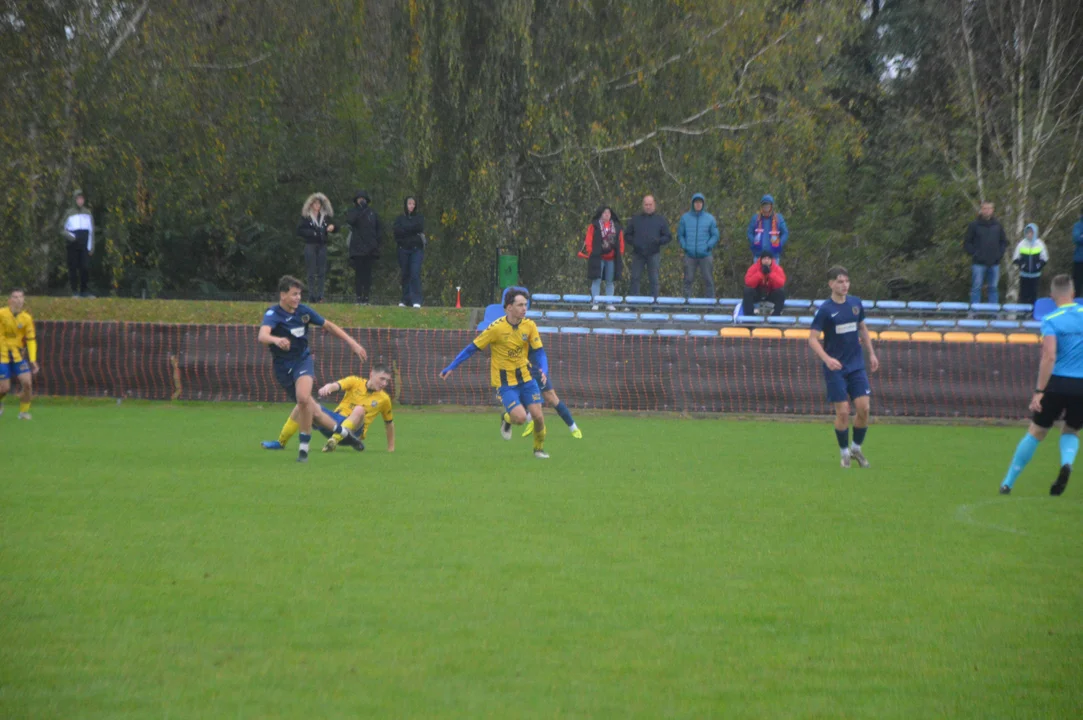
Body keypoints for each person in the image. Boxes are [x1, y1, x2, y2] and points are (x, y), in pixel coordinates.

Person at [257, 275, 367, 463]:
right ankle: (346, 436)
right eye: (294, 294)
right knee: (314, 413)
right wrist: (276, 340)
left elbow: (329, 326)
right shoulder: (273, 314)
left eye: (299, 294)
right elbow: (262, 335)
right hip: (283, 368)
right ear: (283, 295)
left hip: (302, 361)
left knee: (302, 398)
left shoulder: (304, 312)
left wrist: (352, 343)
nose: (298, 298)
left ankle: (303, 450)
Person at [439, 289, 550, 459]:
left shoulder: (529, 326)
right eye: (520, 305)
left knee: (538, 417)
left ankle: (538, 450)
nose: (524, 309)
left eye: (525, 305)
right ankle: (506, 417)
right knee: (520, 418)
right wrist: (451, 366)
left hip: (526, 378)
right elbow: (471, 348)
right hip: (504, 382)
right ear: (508, 308)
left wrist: (544, 369)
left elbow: (540, 352)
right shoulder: (496, 328)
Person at [999, 275, 1083, 496]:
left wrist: (1039, 391)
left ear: (1053, 296)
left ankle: (1008, 482)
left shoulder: (1051, 319)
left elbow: (1049, 356)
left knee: (1036, 431)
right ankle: (1066, 463)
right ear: (1073, 294)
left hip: (1057, 383)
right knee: (1072, 430)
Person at [808, 266, 880, 469]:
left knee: (864, 408)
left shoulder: (856, 304)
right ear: (831, 284)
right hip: (835, 368)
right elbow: (812, 339)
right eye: (840, 281)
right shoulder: (825, 310)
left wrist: (872, 353)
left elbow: (863, 329)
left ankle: (856, 448)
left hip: (856, 366)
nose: (844, 285)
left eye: (847, 281)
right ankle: (844, 453)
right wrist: (827, 359)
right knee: (842, 413)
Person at [318, 364, 396, 453]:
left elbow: (389, 423)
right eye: (382, 379)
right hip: (335, 424)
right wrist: (329, 387)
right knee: (308, 405)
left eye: (387, 381)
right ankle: (302, 450)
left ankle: (334, 440)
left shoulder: (384, 399)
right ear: (371, 375)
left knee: (359, 409)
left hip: (354, 433)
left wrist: (391, 448)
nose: (384, 384)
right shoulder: (355, 381)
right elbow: (338, 385)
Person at [520, 345, 583, 439]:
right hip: (519, 370)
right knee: (518, 398)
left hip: (535, 368)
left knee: (551, 397)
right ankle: (530, 421)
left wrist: (544, 371)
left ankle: (573, 427)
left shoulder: (530, 333)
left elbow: (541, 353)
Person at [0, 289, 38, 419]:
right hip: (2, 355)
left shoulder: (26, 318)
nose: (18, 299)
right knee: (4, 389)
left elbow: (31, 340)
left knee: (27, 383)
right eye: (15, 297)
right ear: (10, 300)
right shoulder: (1, 314)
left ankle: (23, 412)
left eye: (21, 297)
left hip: (18, 356)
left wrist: (32, 360)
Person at [577, 206, 624, 309]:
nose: (607, 214)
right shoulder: (594, 226)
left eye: (608, 213)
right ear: (600, 214)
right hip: (598, 258)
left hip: (611, 258)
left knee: (610, 281)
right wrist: (590, 252)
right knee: (596, 280)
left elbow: (620, 241)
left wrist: (620, 252)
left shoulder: (616, 227)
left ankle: (609, 303)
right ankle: (595, 302)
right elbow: (588, 240)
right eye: (604, 212)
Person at [625, 194, 671, 298]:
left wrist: (658, 241)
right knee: (635, 278)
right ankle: (633, 305)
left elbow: (668, 236)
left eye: (650, 204)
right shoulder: (635, 219)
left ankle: (654, 305)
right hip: (638, 254)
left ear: (654, 205)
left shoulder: (660, 219)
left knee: (654, 279)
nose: (648, 207)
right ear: (643, 205)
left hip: (653, 254)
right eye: (646, 204)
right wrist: (635, 242)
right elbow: (627, 235)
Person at [964, 201, 1009, 304]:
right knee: (976, 287)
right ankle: (974, 313)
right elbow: (967, 243)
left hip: (994, 263)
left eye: (989, 208)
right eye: (984, 208)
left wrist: (999, 254)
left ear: (992, 210)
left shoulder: (998, 225)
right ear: (981, 210)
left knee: (993, 288)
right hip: (978, 263)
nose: (987, 211)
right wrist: (975, 253)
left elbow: (1004, 242)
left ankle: (993, 313)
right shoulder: (974, 225)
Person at [678, 192, 719, 298]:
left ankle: (710, 307)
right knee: (688, 280)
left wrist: (708, 246)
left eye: (700, 202)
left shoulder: (710, 218)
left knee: (708, 281)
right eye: (696, 202)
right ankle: (686, 307)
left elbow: (715, 235)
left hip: (705, 255)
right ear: (692, 203)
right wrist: (685, 246)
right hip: (690, 255)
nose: (698, 204)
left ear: (703, 204)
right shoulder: (685, 218)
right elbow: (680, 235)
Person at [296, 193, 335, 303]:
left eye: (319, 203)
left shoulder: (325, 217)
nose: (318, 205)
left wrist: (333, 227)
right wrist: (312, 233)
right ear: (311, 204)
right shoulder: (306, 217)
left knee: (322, 271)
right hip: (310, 245)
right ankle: (312, 295)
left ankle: (321, 296)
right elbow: (299, 230)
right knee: (311, 271)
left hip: (322, 245)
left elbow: (335, 225)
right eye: (315, 203)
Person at [345, 190, 382, 305]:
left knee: (367, 275)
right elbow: (351, 221)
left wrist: (376, 244)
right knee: (359, 274)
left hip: (370, 249)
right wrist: (360, 210)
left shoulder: (372, 213)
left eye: (363, 199)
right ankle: (358, 297)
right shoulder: (353, 212)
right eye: (359, 199)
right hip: (357, 248)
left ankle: (366, 297)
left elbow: (379, 229)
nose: (361, 200)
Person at [61, 189, 94, 298]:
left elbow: (91, 231)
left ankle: (84, 291)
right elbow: (62, 229)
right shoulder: (69, 213)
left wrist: (91, 246)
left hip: (84, 244)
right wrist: (71, 237)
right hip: (73, 244)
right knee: (73, 267)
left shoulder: (88, 213)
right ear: (74, 200)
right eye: (78, 199)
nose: (80, 201)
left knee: (85, 267)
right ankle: (74, 291)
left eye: (82, 199)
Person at [393, 196, 425, 308]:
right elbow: (397, 231)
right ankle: (405, 299)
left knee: (415, 273)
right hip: (403, 250)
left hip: (416, 250)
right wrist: (410, 229)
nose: (411, 206)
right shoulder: (400, 218)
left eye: (413, 204)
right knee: (405, 274)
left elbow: (419, 227)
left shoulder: (419, 217)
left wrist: (406, 229)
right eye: (409, 203)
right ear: (406, 205)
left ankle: (416, 299)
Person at [1012, 223, 1049, 305]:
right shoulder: (1021, 244)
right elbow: (1015, 258)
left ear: (1035, 233)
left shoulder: (1040, 244)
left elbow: (1045, 258)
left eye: (1031, 232)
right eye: (1028, 232)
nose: (1029, 234)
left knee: (1034, 295)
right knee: (1023, 295)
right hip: (1024, 275)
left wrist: (1038, 266)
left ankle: (1033, 314)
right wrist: (1022, 265)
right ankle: (1022, 314)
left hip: (1036, 275)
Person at [746, 194, 788, 259]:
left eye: (768, 205)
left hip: (774, 255)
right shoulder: (755, 218)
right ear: (761, 206)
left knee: (775, 269)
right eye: (764, 205)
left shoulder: (778, 218)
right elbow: (749, 232)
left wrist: (780, 243)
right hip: (758, 255)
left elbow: (785, 233)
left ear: (771, 206)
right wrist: (754, 241)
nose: (766, 207)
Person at [1073, 209, 1083, 293]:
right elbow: (1076, 238)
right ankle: (1076, 304)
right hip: (1079, 259)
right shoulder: (1078, 225)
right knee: (1077, 284)